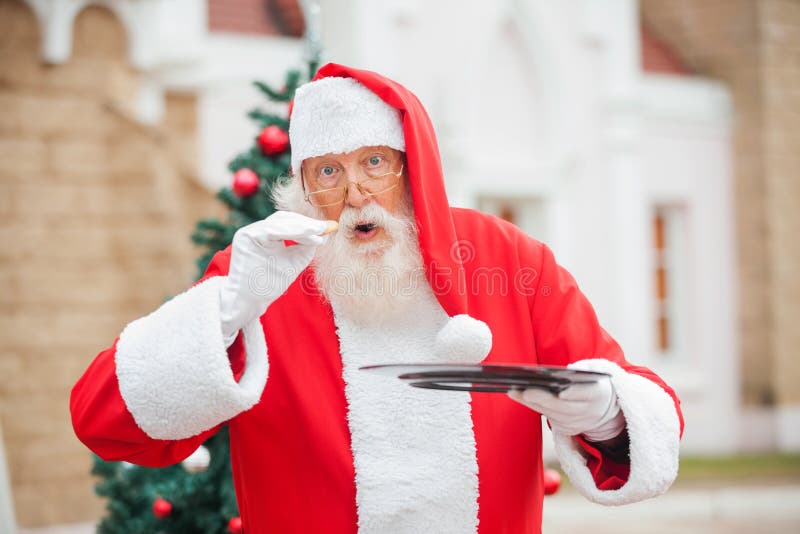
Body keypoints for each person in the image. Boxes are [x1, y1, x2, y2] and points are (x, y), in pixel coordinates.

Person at [71, 63, 683, 533]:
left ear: (412, 170)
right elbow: (105, 422)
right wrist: (227, 310)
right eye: (329, 172)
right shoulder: (261, 271)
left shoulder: (510, 258)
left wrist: (606, 414)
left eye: (374, 163)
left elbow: (648, 415)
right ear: (304, 187)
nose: (357, 192)